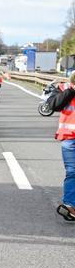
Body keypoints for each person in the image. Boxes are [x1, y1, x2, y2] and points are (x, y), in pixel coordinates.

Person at [54, 72, 75, 221]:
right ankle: (69, 205)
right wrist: (71, 90)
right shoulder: (64, 89)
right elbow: (53, 105)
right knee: (72, 172)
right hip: (70, 139)